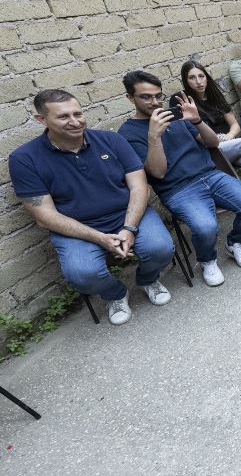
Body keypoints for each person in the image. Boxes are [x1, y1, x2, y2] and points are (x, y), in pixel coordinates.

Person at [11, 89, 176, 326]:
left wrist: (128, 228)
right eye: (63, 117)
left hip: (125, 214)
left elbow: (140, 187)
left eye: (78, 113)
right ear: (41, 120)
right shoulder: (25, 158)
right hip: (77, 227)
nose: (75, 121)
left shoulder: (110, 140)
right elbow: (44, 216)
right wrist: (100, 238)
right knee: (82, 274)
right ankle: (115, 294)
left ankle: (148, 279)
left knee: (161, 248)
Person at [119, 71, 241, 286]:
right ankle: (207, 260)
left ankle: (234, 243)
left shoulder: (175, 116)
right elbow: (157, 173)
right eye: (146, 97)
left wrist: (196, 120)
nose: (155, 102)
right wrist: (153, 137)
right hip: (177, 189)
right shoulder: (128, 133)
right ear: (130, 98)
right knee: (205, 227)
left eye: (158, 95)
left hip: (210, 175)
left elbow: (213, 143)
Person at [174, 58, 241, 221]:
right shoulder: (182, 101)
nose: (198, 81)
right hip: (207, 152)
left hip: (229, 145)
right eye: (192, 78)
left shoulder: (214, 96)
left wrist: (229, 136)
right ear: (185, 80)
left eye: (201, 76)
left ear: (207, 77)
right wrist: (216, 139)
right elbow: (191, 135)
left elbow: (235, 125)